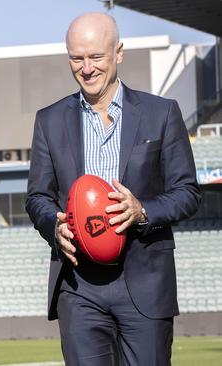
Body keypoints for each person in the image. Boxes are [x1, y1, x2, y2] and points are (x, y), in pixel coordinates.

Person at [26, 12, 201, 365]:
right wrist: (54, 225)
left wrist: (143, 210)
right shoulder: (49, 120)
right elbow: (37, 197)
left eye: (96, 57)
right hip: (78, 285)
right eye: (77, 58)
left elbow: (187, 192)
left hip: (145, 281)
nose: (86, 68)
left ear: (118, 53)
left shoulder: (162, 113)